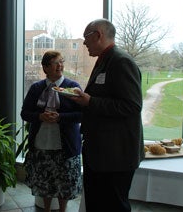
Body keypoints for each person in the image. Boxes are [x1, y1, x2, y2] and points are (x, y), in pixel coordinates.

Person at [70, 19, 145, 212]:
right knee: (97, 203)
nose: (84, 42)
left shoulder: (121, 61)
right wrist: (84, 100)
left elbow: (132, 105)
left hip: (115, 156)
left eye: (86, 37)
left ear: (98, 35)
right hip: (101, 153)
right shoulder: (105, 59)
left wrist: (90, 101)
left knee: (113, 206)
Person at [21, 50, 83, 212]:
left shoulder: (73, 87)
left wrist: (60, 117)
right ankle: (46, 210)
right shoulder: (36, 88)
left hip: (66, 146)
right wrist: (40, 116)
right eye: (56, 63)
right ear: (46, 68)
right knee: (44, 182)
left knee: (65, 184)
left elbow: (82, 114)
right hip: (42, 144)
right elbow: (25, 113)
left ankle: (62, 210)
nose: (60, 65)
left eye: (62, 61)